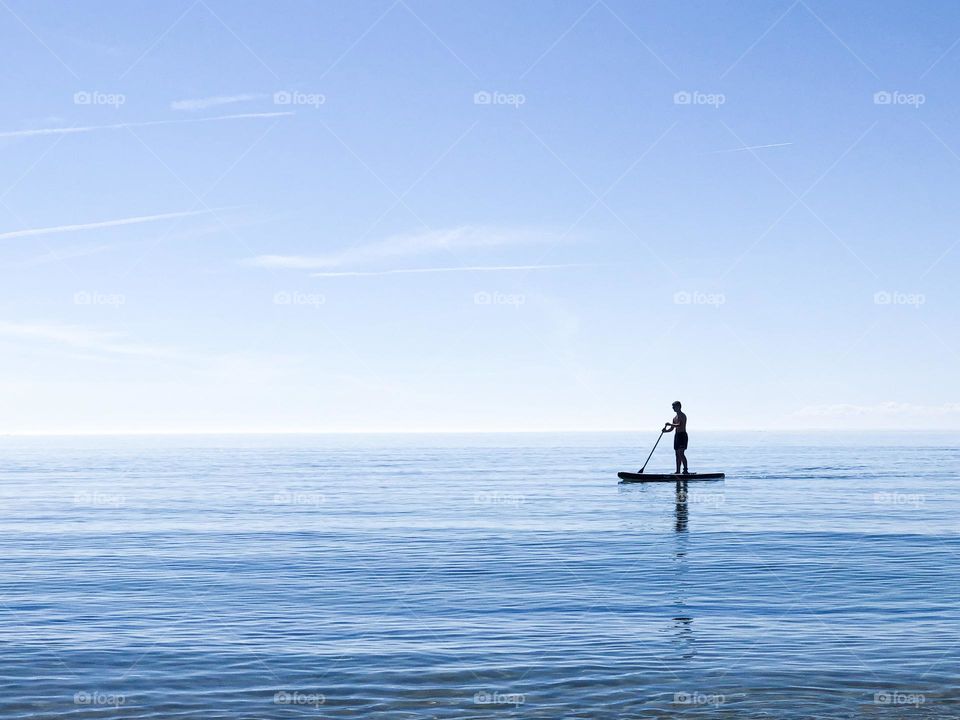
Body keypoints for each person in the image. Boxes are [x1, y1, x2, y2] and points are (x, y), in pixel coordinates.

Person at [662, 401, 688, 474]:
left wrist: (670, 424)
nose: (673, 408)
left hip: (682, 435)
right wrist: (665, 431)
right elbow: (672, 429)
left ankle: (685, 470)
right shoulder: (674, 418)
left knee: (681, 453)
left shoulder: (682, 415)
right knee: (677, 454)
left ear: (679, 407)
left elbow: (679, 425)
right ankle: (678, 471)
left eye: (674, 407)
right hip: (677, 436)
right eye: (672, 407)